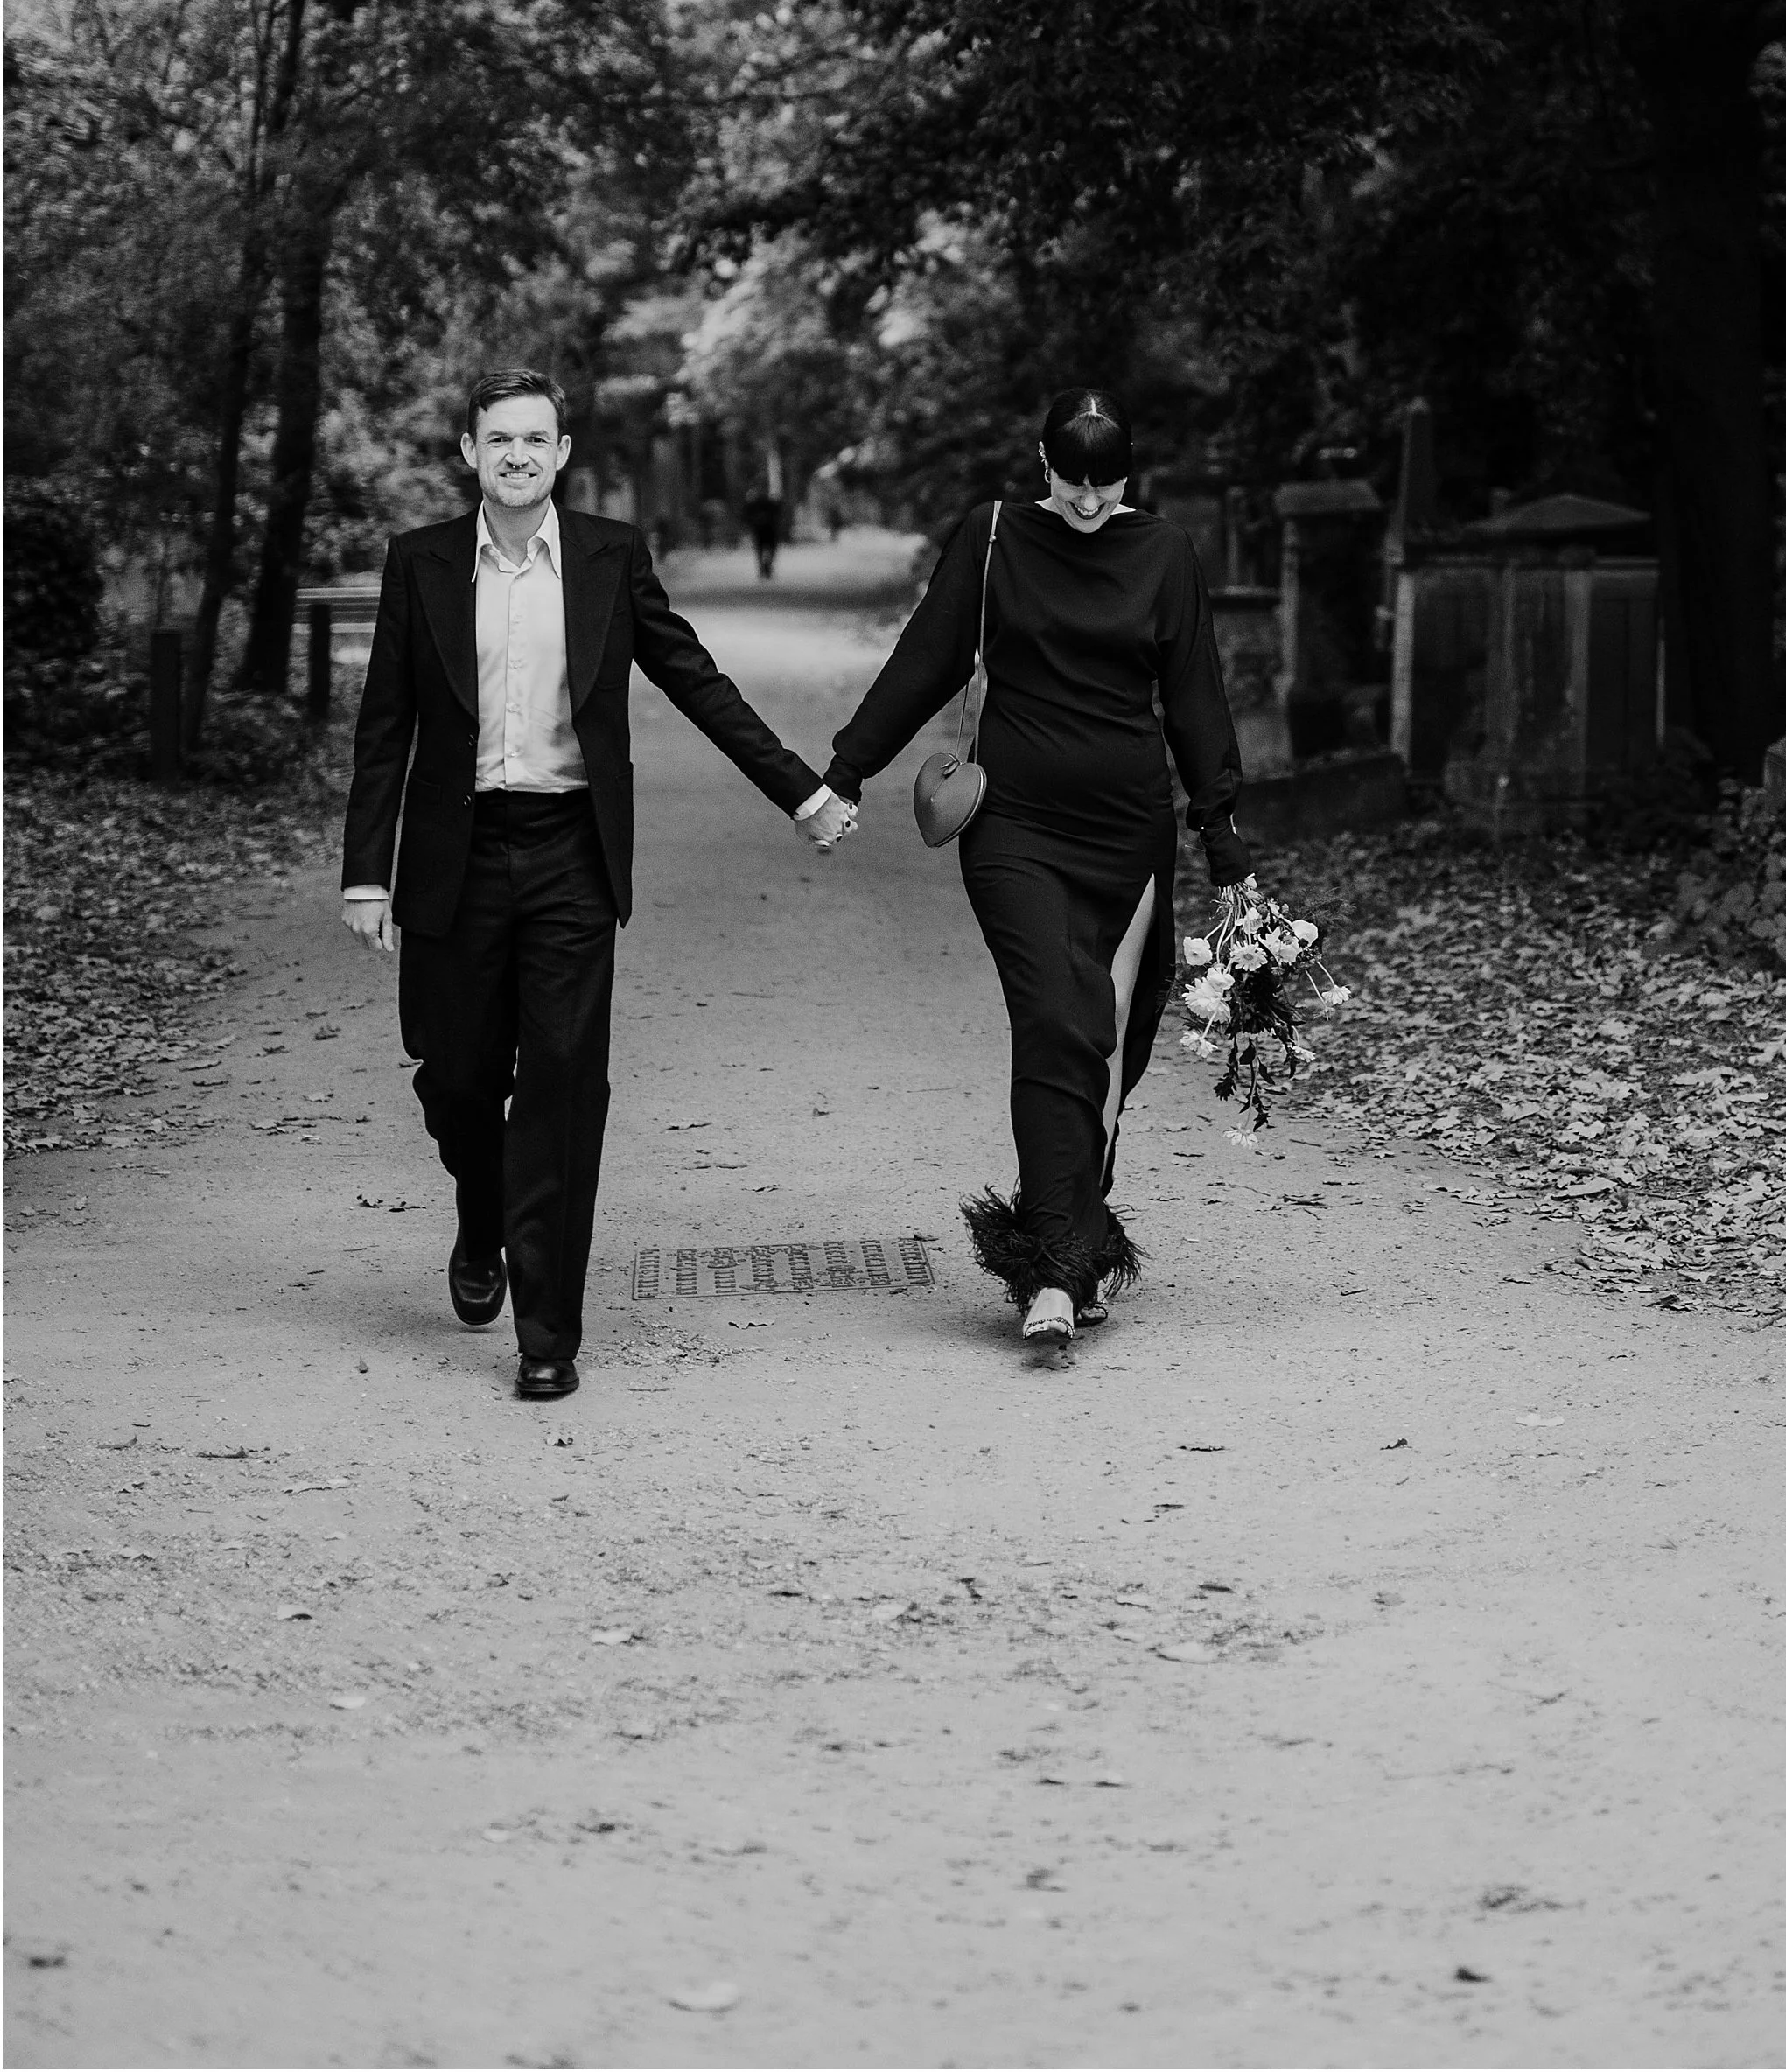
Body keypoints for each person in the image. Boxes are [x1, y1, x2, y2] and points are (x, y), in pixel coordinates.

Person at [340, 369, 854, 1400]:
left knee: (566, 1086)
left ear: (563, 453)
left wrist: (802, 793)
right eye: (499, 440)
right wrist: (365, 874)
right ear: (469, 453)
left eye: (537, 439)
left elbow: (695, 680)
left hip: (572, 852)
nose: (519, 455)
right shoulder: (423, 564)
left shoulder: (611, 558)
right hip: (457, 858)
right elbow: (386, 727)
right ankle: (479, 1218)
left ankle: (548, 1333)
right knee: (454, 1081)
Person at [816, 388, 1253, 1348]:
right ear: (1041, 463)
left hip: (1128, 834)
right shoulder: (992, 538)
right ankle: (1053, 1273)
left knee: (1106, 1044)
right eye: (1072, 480)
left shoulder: (1165, 552)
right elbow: (925, 660)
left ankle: (1075, 1232)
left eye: (1108, 483)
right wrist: (848, 769)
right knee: (1054, 1015)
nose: (1090, 501)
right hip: (1014, 824)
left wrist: (1220, 835)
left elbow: (1193, 698)